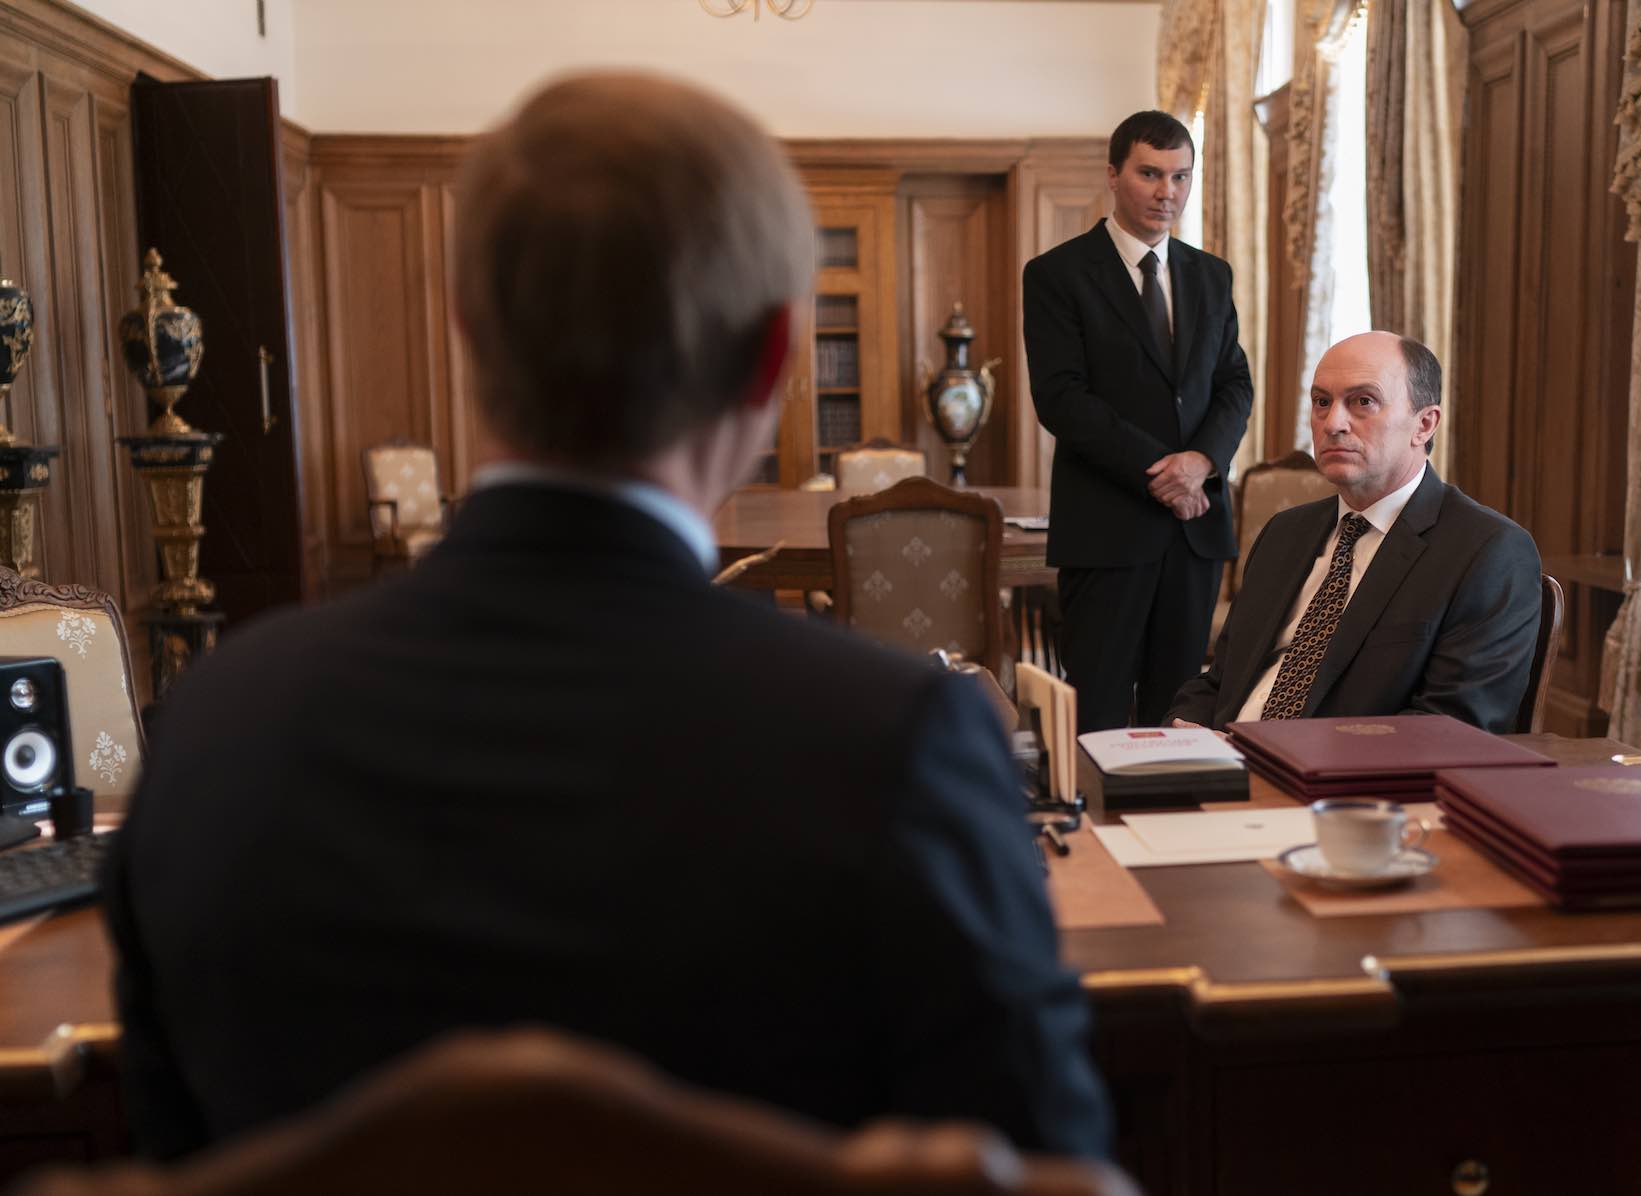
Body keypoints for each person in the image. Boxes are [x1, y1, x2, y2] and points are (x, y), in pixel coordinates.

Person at [102, 72, 1110, 1162]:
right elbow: (1049, 1168)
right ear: (773, 359)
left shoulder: (215, 727)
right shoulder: (900, 745)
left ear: (468, 330)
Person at [1165, 332, 1540, 732]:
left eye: (1363, 401)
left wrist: (1269, 755)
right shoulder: (1284, 533)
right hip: (1217, 759)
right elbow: (1218, 681)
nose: (1333, 424)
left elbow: (1450, 728)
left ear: (1424, 424)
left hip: (1338, 770)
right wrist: (1182, 733)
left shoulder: (1488, 551)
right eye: (1322, 402)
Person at [1022, 110, 1253, 732]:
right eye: (1150, 174)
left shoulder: (1211, 275)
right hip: (1107, 528)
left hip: (1194, 530)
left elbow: (1234, 383)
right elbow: (1061, 398)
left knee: (1178, 712)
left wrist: (1201, 463)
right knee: (1096, 714)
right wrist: (1163, 474)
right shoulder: (1057, 274)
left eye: (1180, 176)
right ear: (1113, 175)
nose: (1166, 192)